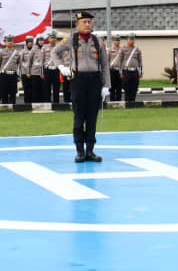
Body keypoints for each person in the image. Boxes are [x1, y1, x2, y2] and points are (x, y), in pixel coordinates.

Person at [52, 11, 109, 163]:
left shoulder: (97, 41)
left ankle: (90, 150)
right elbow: (54, 53)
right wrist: (61, 67)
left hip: (95, 81)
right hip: (78, 80)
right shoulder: (71, 39)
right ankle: (80, 151)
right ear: (77, 24)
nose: (87, 24)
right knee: (79, 117)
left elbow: (104, 64)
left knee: (92, 117)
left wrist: (106, 85)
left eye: (89, 22)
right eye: (84, 22)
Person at [0, 35, 21, 104]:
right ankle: (4, 107)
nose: (9, 42)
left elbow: (19, 65)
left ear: (13, 42)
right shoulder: (1, 52)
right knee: (4, 92)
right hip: (4, 74)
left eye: (11, 41)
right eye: (8, 41)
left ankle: (13, 107)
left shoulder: (17, 52)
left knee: (13, 92)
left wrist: (19, 76)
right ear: (5, 42)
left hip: (13, 75)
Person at [120, 34, 143, 104]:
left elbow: (140, 61)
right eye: (130, 39)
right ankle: (127, 102)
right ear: (127, 40)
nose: (131, 41)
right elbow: (120, 61)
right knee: (127, 88)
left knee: (134, 88)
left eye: (133, 39)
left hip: (135, 71)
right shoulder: (123, 49)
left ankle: (133, 102)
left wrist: (141, 72)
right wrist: (120, 72)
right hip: (126, 71)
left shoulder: (137, 49)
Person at [43, 32, 62, 104]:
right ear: (48, 39)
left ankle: (56, 103)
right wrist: (42, 72)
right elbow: (42, 60)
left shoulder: (59, 47)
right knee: (46, 88)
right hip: (48, 69)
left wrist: (61, 70)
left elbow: (61, 59)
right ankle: (47, 103)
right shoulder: (44, 47)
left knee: (56, 88)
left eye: (54, 38)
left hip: (56, 69)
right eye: (51, 38)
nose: (53, 39)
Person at [107, 37, 124, 102]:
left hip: (119, 71)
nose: (117, 42)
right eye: (116, 40)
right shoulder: (110, 50)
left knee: (119, 87)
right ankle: (112, 101)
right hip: (112, 70)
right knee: (112, 87)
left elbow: (123, 61)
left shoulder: (122, 50)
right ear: (113, 41)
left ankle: (118, 101)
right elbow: (107, 60)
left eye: (118, 40)